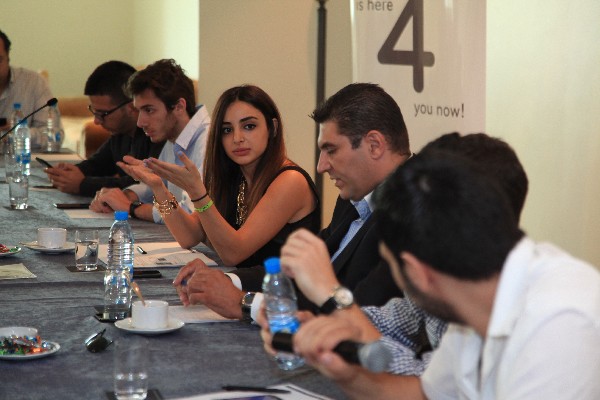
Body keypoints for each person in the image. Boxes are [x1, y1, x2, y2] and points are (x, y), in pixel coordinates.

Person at [278, 150, 600, 399]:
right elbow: (421, 394)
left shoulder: (560, 321)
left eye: (392, 266)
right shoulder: (470, 308)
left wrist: (333, 298)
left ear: (418, 273)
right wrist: (344, 373)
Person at [262, 132, 530, 375]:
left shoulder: (527, 318)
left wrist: (332, 295)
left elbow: (422, 382)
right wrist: (325, 328)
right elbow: (397, 321)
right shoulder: (452, 273)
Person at [172, 82, 411, 320]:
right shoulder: (354, 199)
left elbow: (357, 316)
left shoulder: (411, 215)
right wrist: (228, 280)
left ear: (374, 146)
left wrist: (245, 303)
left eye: (331, 150)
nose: (321, 166)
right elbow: (301, 269)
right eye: (227, 130)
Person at [117, 84, 320, 271]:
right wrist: (158, 188)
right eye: (227, 130)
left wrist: (198, 194)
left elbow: (233, 254)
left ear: (272, 128)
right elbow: (188, 236)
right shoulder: (235, 175)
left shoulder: (290, 181)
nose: (237, 138)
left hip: (280, 294)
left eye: (249, 126)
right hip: (245, 287)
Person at [90, 59, 209, 224]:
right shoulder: (174, 138)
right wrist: (126, 196)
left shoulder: (207, 142)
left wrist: (131, 208)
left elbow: (190, 213)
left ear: (179, 107)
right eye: (139, 111)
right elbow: (160, 188)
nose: (140, 122)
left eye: (149, 110)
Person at [44, 61, 164, 196]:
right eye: (94, 112)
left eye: (103, 113)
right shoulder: (121, 133)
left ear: (131, 107)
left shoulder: (156, 133)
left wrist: (83, 185)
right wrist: (71, 172)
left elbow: (141, 184)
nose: (96, 121)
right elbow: (99, 164)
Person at [0, 29, 58, 136]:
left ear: (8, 57)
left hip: (21, 146)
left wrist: (18, 133)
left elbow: (53, 134)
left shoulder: (34, 83)